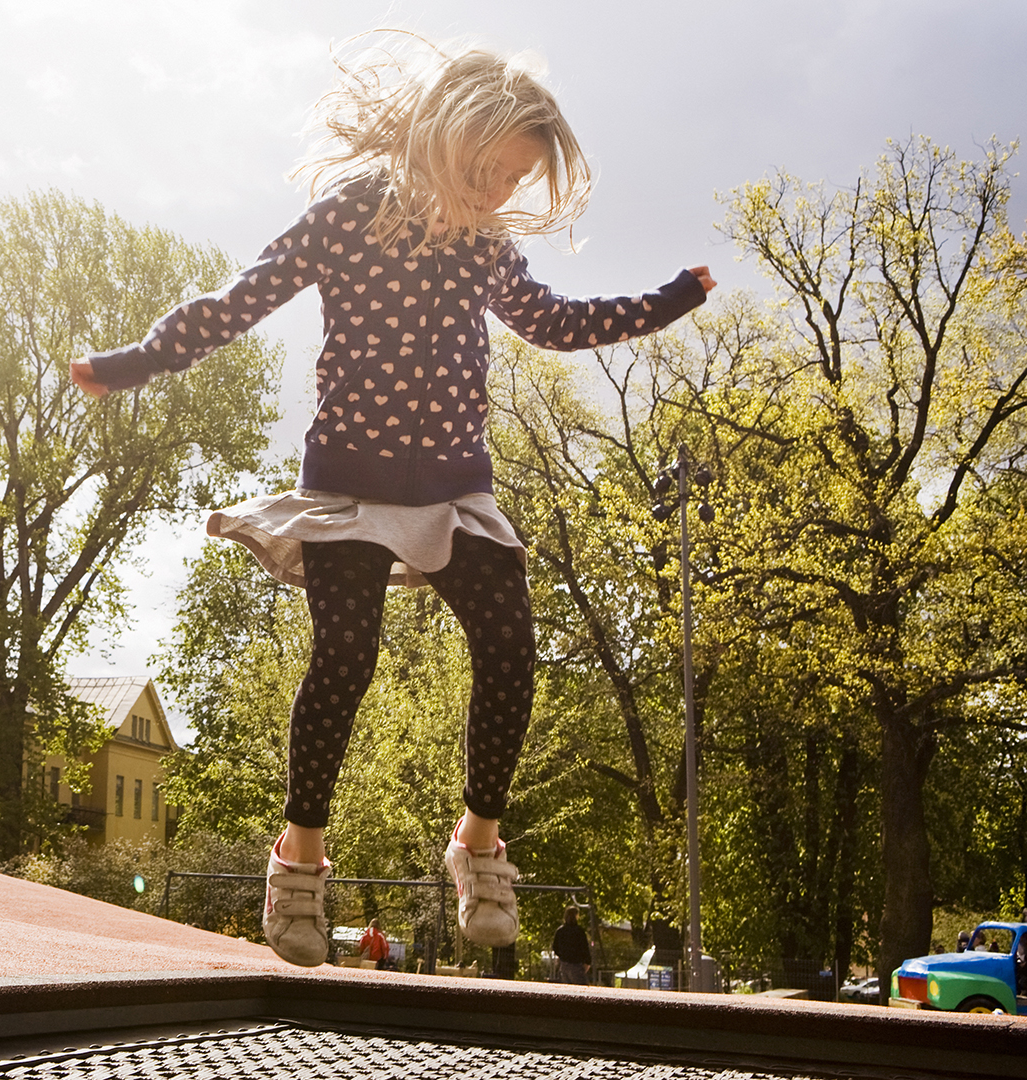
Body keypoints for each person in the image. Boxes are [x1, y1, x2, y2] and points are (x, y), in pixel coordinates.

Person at [72, 31, 715, 969]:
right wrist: (135, 362)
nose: (499, 193)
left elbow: (556, 323)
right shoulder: (347, 216)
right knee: (347, 651)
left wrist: (663, 301)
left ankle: (479, 844)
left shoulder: (488, 247)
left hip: (455, 489)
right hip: (348, 487)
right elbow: (238, 302)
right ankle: (299, 859)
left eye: (514, 181)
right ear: (451, 135)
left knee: (510, 644)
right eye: (491, 170)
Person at [551, 905, 592, 984]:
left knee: (567, 988)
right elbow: (584, 947)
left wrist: (562, 956)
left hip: (564, 964)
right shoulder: (579, 931)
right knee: (581, 988)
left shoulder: (560, 931)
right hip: (576, 964)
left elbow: (555, 947)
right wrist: (587, 962)